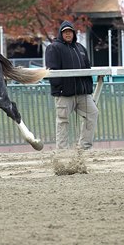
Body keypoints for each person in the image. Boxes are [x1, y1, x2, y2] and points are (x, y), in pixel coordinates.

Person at [45, 20, 99, 150]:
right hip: (64, 94)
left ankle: (84, 147)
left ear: (73, 33)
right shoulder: (53, 47)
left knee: (92, 113)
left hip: (82, 93)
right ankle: (62, 151)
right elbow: (52, 70)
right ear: (61, 33)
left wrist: (88, 88)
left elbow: (87, 68)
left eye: (70, 32)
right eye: (65, 32)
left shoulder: (80, 48)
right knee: (63, 121)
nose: (68, 34)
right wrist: (60, 88)